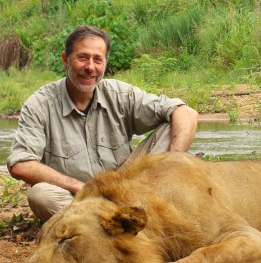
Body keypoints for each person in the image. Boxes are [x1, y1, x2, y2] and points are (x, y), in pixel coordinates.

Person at [7, 25, 198, 222]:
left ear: (105, 63)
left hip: (129, 188)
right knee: (40, 196)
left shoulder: (119, 94)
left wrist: (172, 163)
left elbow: (187, 113)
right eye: (82, 57)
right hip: (78, 198)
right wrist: (79, 187)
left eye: (97, 60)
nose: (90, 67)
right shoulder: (40, 104)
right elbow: (21, 164)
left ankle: (115, 219)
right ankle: (116, 221)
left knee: (171, 126)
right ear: (65, 60)